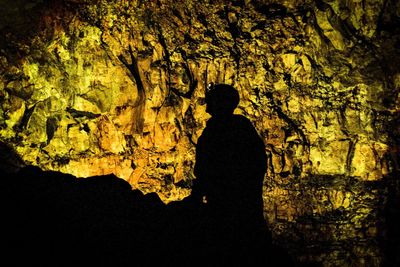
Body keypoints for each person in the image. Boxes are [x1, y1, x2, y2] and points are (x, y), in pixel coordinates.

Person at [191, 83, 269, 264]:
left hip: (224, 205)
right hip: (247, 203)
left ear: (219, 103)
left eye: (211, 99)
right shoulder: (244, 128)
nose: (207, 103)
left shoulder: (216, 132)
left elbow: (206, 170)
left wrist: (196, 198)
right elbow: (258, 163)